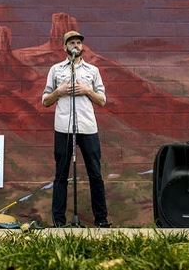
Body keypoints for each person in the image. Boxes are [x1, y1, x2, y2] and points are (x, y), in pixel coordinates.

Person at [41, 30, 110, 228]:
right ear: (65, 47)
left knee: (95, 173)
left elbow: (102, 101)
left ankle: (101, 220)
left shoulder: (92, 71)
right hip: (63, 128)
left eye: (79, 42)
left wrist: (88, 90)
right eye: (72, 42)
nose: (76, 45)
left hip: (88, 127)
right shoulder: (56, 70)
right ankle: (59, 221)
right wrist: (59, 91)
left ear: (82, 47)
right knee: (61, 174)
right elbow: (45, 100)